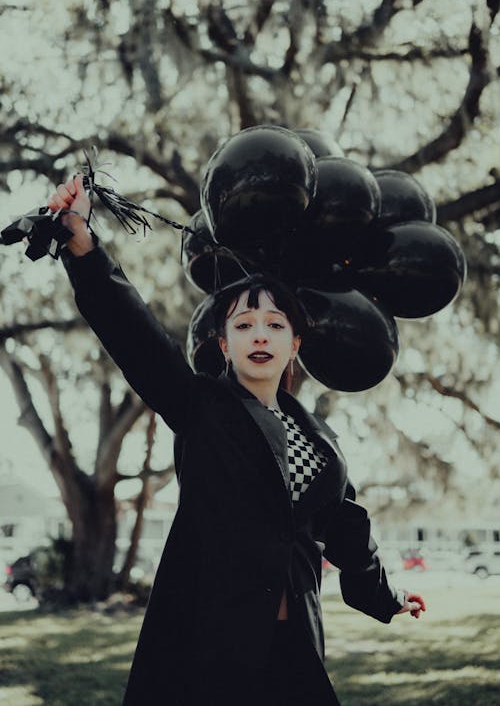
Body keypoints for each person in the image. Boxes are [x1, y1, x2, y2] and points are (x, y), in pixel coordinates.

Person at [48, 174, 426, 706]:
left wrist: (390, 596)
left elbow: (346, 532)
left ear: (295, 343)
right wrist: (83, 247)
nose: (260, 335)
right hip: (208, 648)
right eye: (244, 325)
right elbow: (134, 335)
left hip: (295, 648)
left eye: (275, 324)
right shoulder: (201, 409)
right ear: (223, 344)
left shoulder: (319, 443)